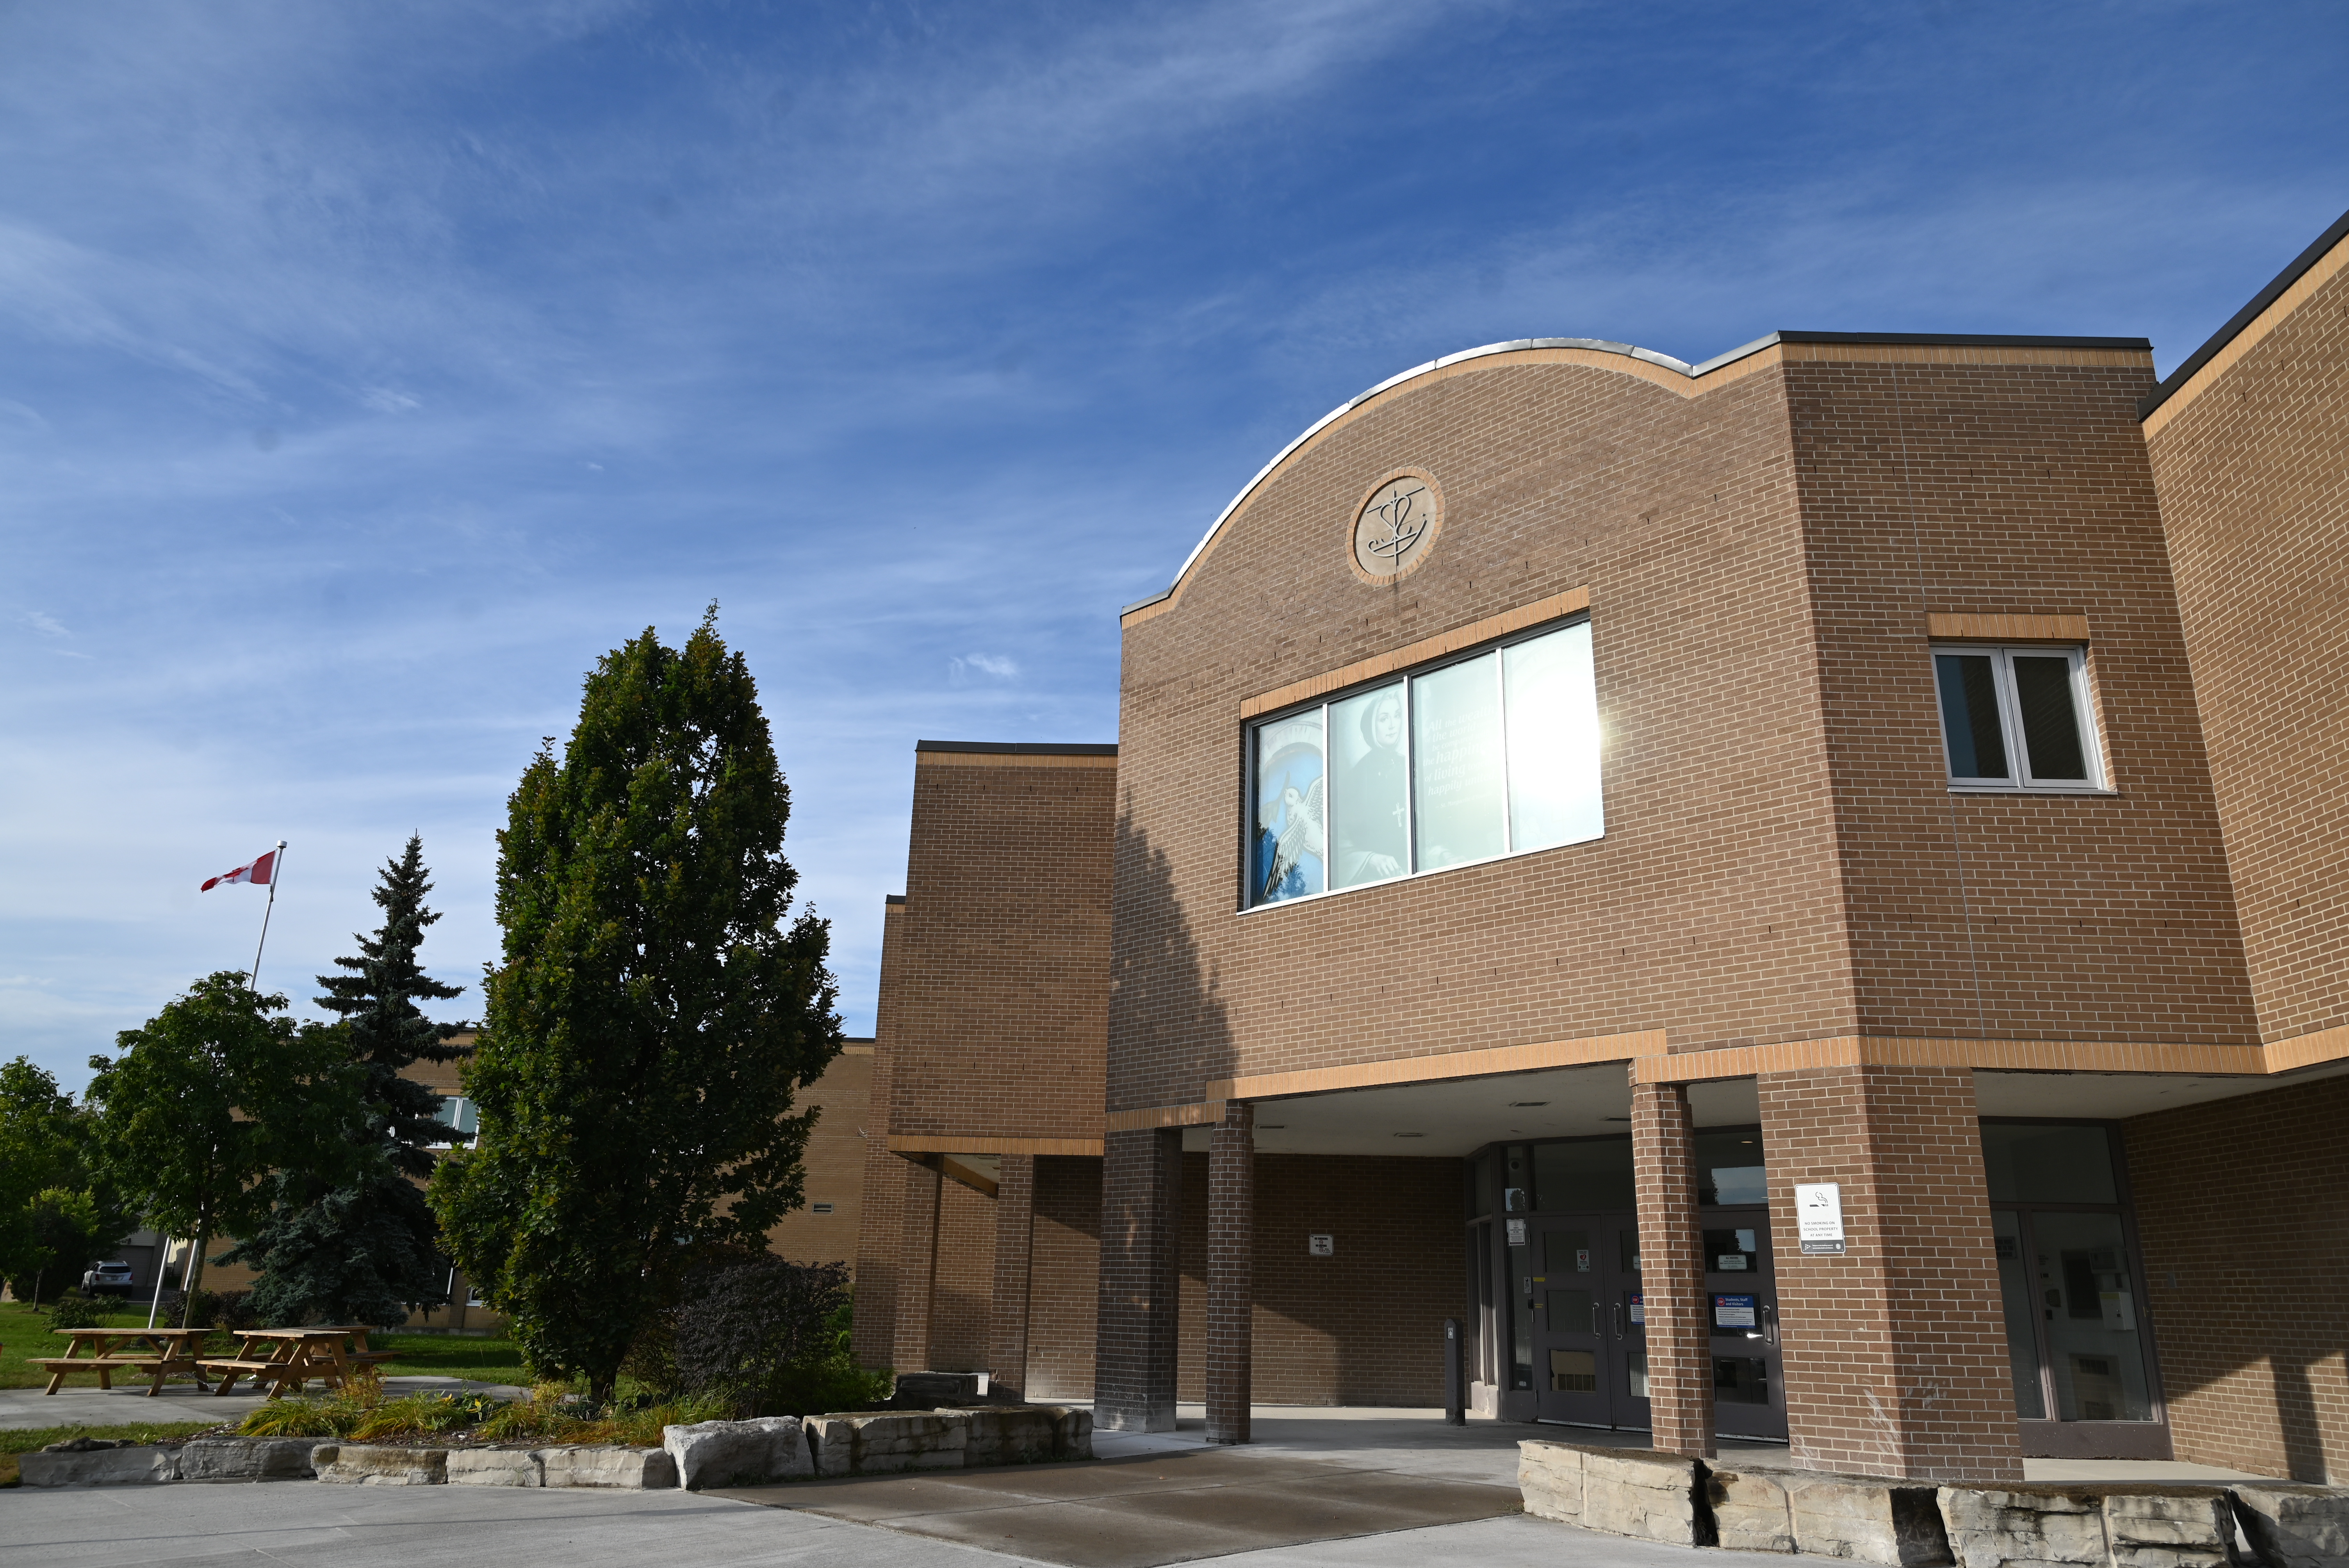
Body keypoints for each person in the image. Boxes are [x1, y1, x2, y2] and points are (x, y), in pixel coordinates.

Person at [1335, 689, 1407, 884]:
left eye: (1397, 716)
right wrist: (1370, 859)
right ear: (1372, 725)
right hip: (1376, 880)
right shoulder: (1357, 778)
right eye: (1384, 719)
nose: (1393, 726)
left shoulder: (1408, 766)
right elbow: (1341, 841)